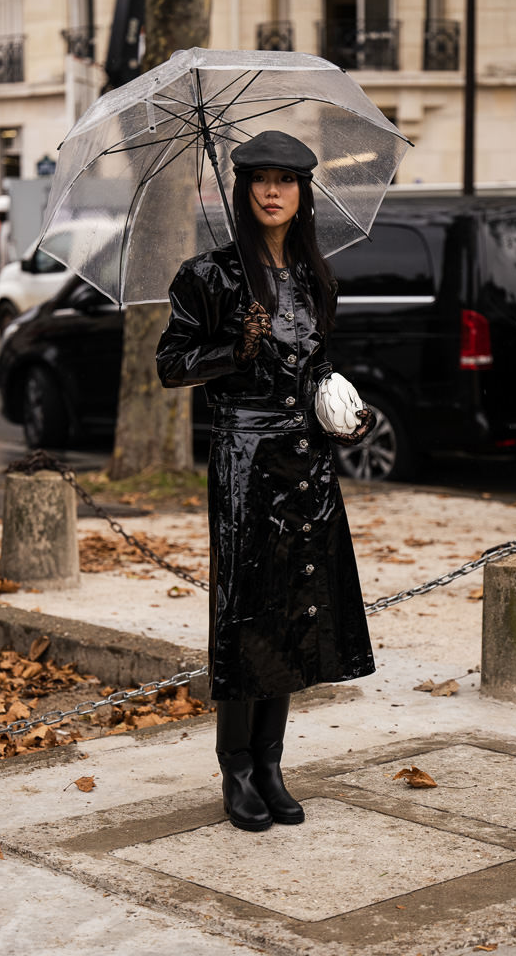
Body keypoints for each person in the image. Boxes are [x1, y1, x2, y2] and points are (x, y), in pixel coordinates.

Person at [156, 130, 376, 833]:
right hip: (244, 460)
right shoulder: (210, 276)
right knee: (246, 611)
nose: (273, 191)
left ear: (304, 192)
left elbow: (312, 370)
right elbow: (170, 365)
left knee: (296, 609)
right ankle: (238, 771)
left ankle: (273, 763)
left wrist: (348, 412)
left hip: (306, 460)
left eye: (286, 179)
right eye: (260, 179)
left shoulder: (315, 276)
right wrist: (233, 346)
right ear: (244, 189)